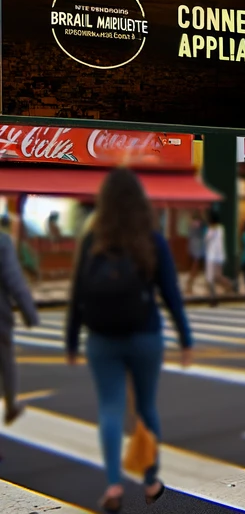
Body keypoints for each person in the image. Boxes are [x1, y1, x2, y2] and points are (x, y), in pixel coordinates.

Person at [65, 168, 193, 512]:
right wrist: (185, 338)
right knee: (146, 408)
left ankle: (113, 487)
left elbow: (78, 292)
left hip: (102, 338)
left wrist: (72, 340)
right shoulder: (152, 238)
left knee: (110, 408)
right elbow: (170, 293)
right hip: (145, 334)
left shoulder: (94, 240)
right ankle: (151, 481)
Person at [0, 216, 38, 425]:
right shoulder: (2, 243)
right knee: (6, 361)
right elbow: (14, 281)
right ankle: (11, 404)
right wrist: (29, 314)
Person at [204, 211, 235, 302]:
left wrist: (210, 230)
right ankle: (212, 295)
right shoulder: (216, 229)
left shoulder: (217, 229)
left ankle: (229, 285)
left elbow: (207, 239)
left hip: (215, 256)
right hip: (214, 256)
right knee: (212, 277)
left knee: (215, 276)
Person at [184, 212, 206, 295]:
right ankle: (189, 285)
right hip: (198, 247)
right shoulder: (197, 224)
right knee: (195, 267)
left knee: (197, 267)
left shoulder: (190, 225)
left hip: (194, 246)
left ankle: (190, 285)